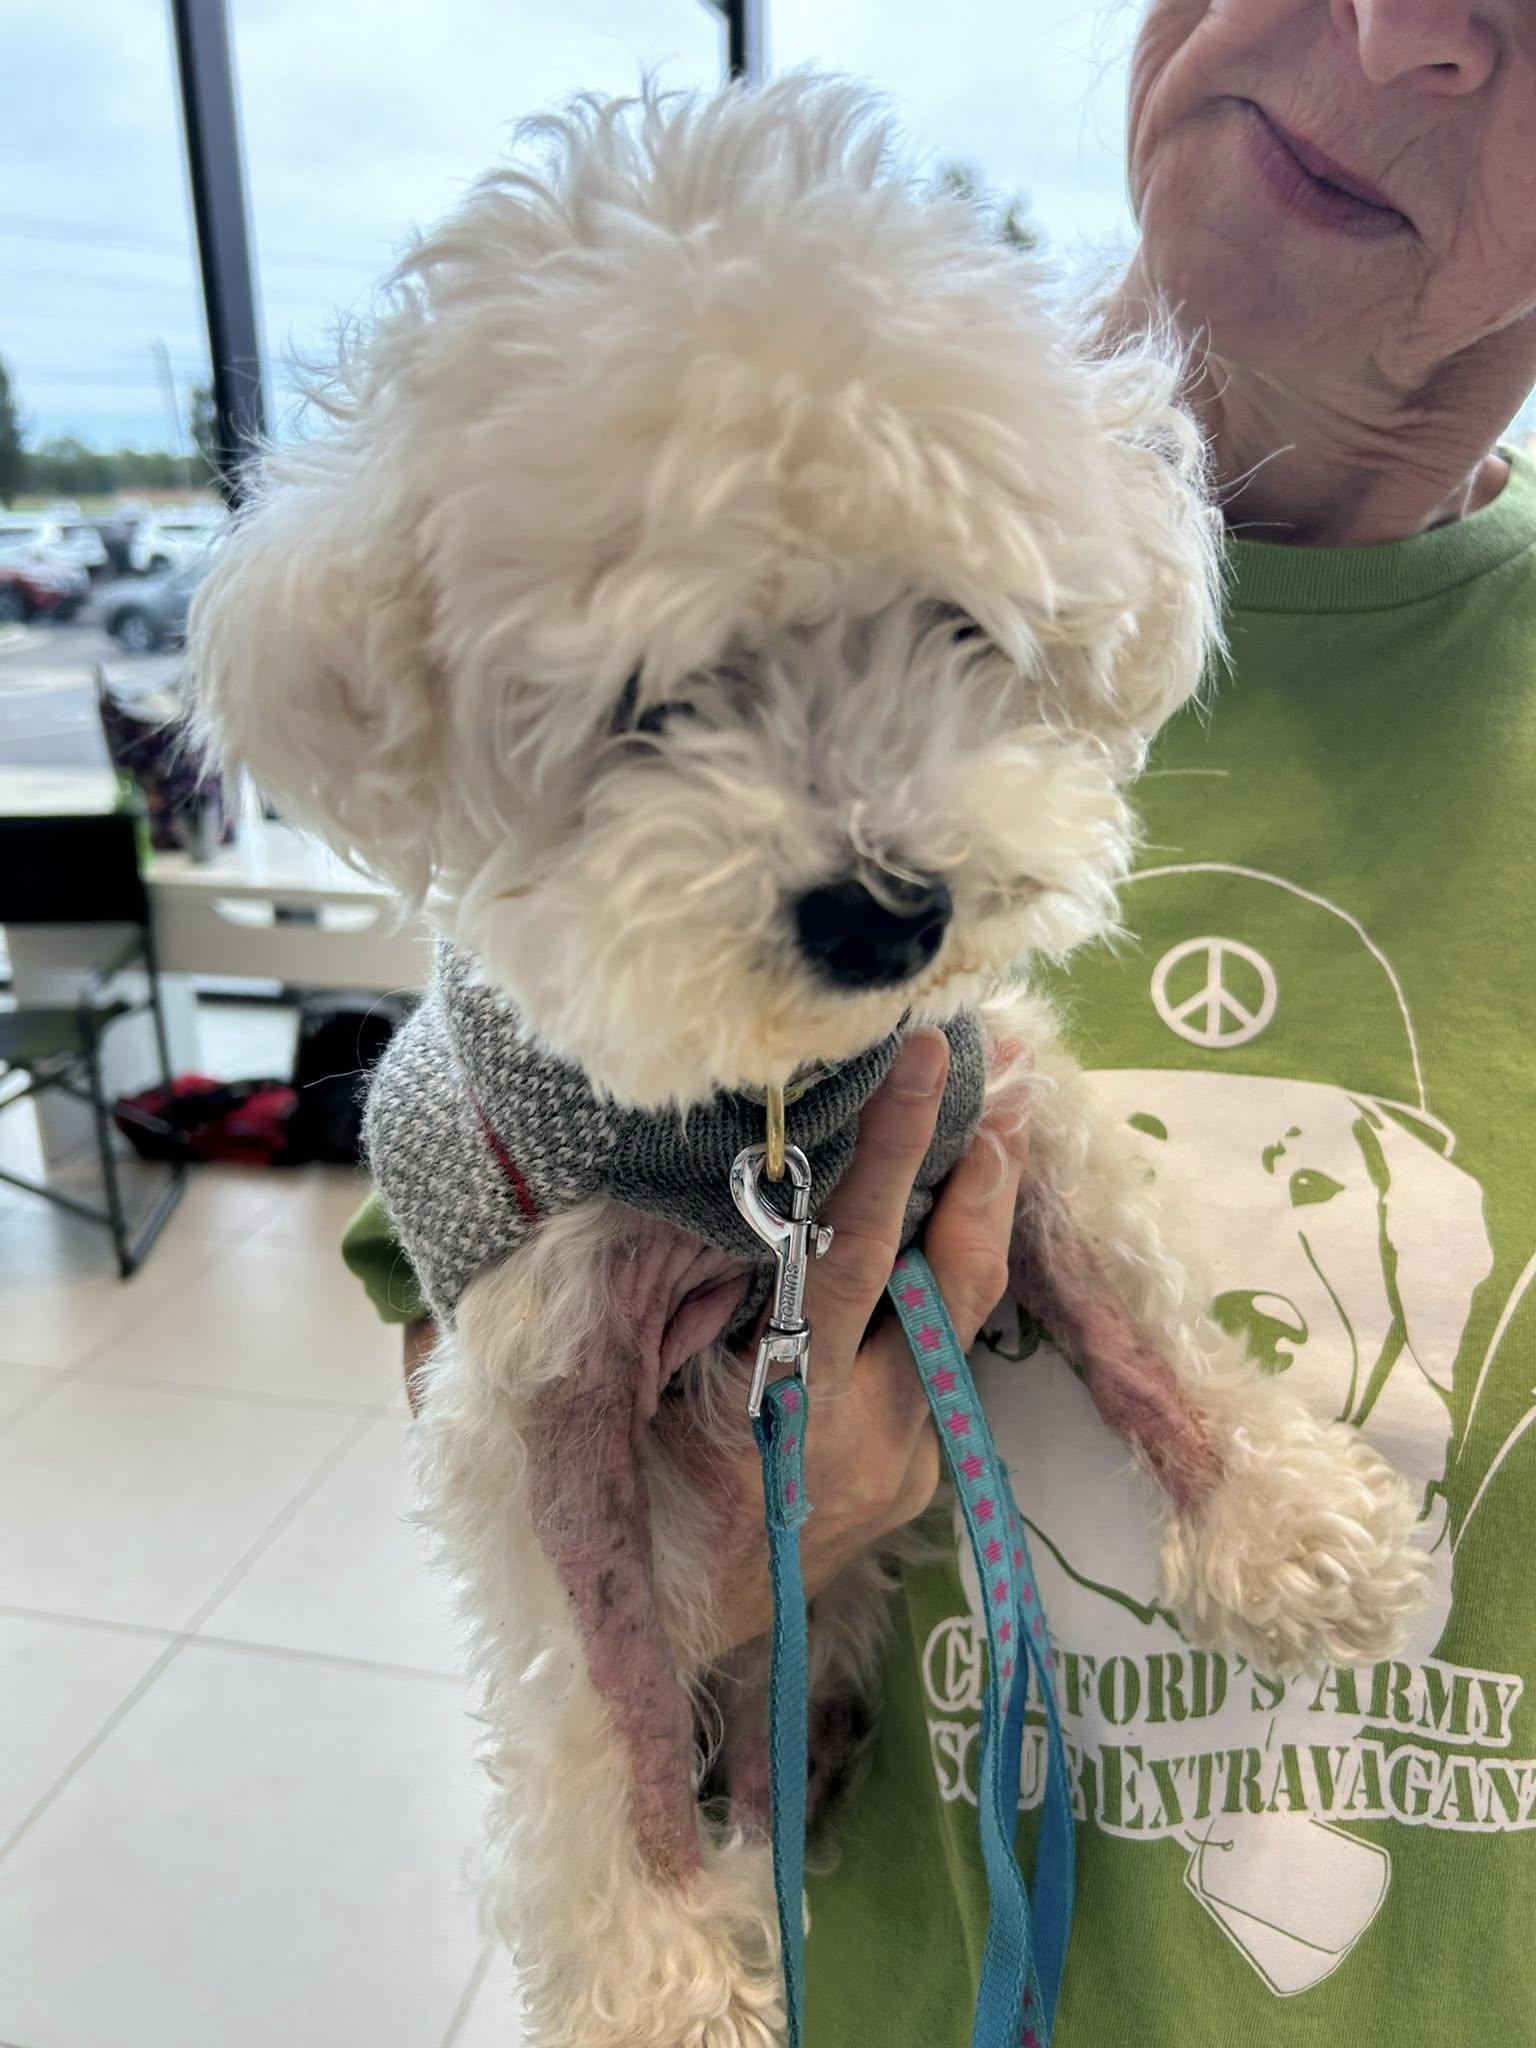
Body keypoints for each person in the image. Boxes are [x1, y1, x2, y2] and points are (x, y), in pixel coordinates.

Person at [342, 2, 1536, 2038]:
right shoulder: (567, 593)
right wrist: (725, 1538)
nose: (1408, 26)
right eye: (672, 693)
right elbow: (472, 1367)